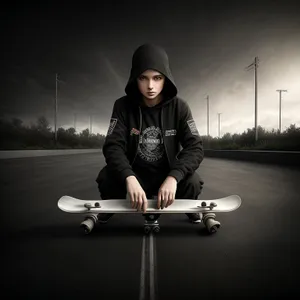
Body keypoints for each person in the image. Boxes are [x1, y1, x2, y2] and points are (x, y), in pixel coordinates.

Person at [95, 43, 204, 224]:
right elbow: (113, 146)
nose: (150, 86)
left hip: (166, 176)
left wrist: (174, 177)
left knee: (193, 183)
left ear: (166, 78)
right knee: (106, 178)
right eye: (143, 78)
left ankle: (187, 205)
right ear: (135, 79)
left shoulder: (180, 107)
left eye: (157, 78)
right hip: (135, 176)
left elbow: (195, 147)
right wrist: (129, 178)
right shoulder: (122, 106)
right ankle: (111, 205)